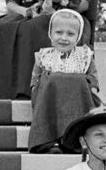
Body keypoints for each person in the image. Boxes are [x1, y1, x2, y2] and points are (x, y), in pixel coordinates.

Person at [28, 8, 101, 153]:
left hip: (77, 99)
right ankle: (49, 140)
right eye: (59, 32)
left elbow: (92, 79)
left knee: (77, 81)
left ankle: (74, 140)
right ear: (50, 34)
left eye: (70, 34)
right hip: (51, 99)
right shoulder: (44, 56)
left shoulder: (85, 56)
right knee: (53, 79)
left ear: (78, 37)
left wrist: (91, 89)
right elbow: (35, 80)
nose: (64, 38)